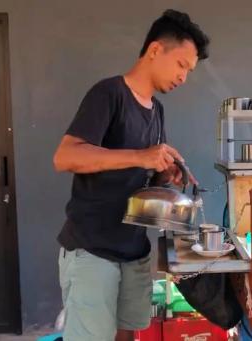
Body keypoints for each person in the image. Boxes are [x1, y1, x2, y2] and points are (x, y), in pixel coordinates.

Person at [52, 9, 209, 341]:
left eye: (189, 71)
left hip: (134, 250)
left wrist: (163, 178)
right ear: (155, 50)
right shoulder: (109, 94)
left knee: (129, 335)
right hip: (91, 250)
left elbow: (139, 179)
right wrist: (141, 156)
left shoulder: (157, 111)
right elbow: (65, 156)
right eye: (181, 65)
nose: (184, 77)